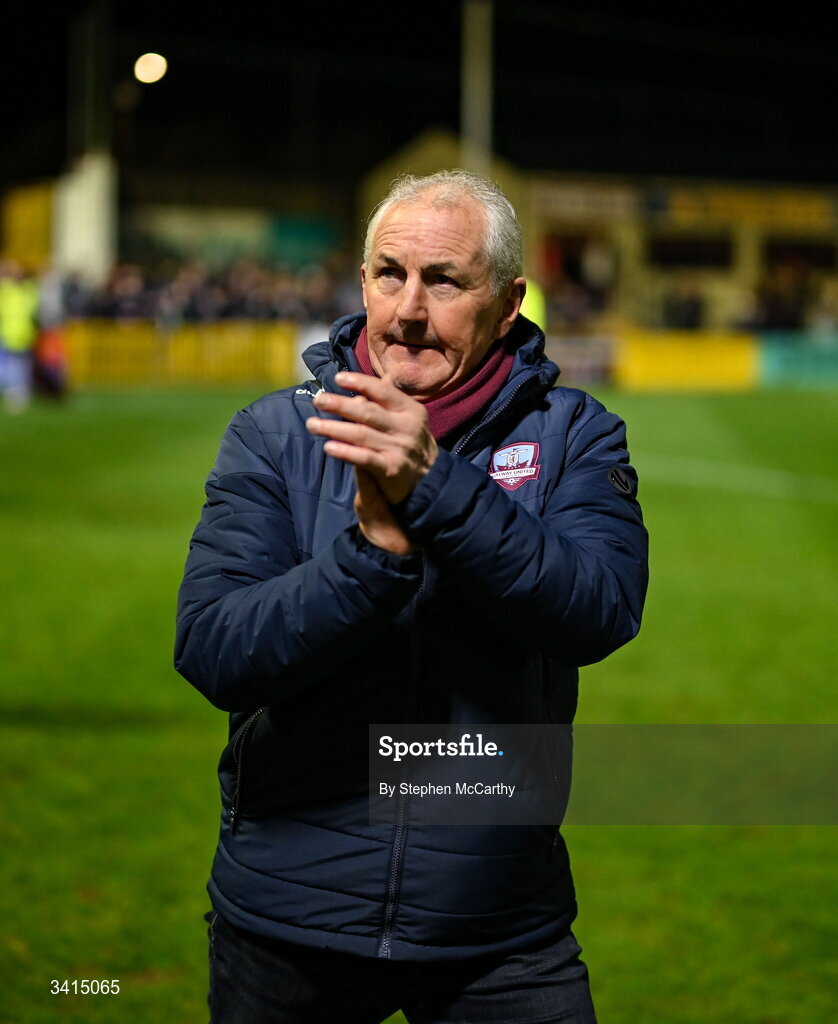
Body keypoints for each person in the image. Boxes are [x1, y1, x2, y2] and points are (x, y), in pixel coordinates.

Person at [175, 170, 648, 1023]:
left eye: (444, 280)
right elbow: (214, 652)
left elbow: (598, 609)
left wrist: (432, 487)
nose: (408, 310)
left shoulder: (575, 433)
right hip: (288, 918)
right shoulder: (276, 434)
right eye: (389, 274)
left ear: (508, 303)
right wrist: (373, 555)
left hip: (499, 929)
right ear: (362, 284)